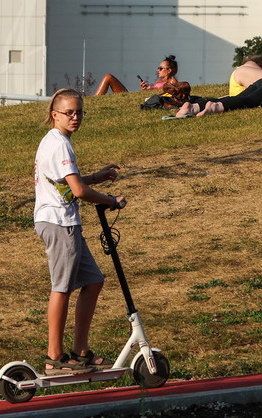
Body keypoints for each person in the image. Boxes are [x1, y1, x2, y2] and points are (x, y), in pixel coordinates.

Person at [33, 88, 126, 375]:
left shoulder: (55, 141)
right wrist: (111, 201)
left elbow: (65, 182)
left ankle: (80, 352)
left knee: (94, 281)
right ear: (55, 115)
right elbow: (78, 191)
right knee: (61, 288)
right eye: (69, 113)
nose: (75, 117)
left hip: (65, 222)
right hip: (59, 223)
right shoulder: (59, 144)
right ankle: (54, 358)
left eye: (80, 112)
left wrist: (96, 177)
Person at [93, 55, 178, 96]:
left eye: (160, 68)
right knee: (108, 77)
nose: (158, 70)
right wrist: (145, 89)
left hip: (135, 100)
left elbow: (172, 93)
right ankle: (95, 100)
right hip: (139, 98)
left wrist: (150, 89)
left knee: (109, 77)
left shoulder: (172, 81)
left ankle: (94, 101)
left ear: (169, 70)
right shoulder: (158, 82)